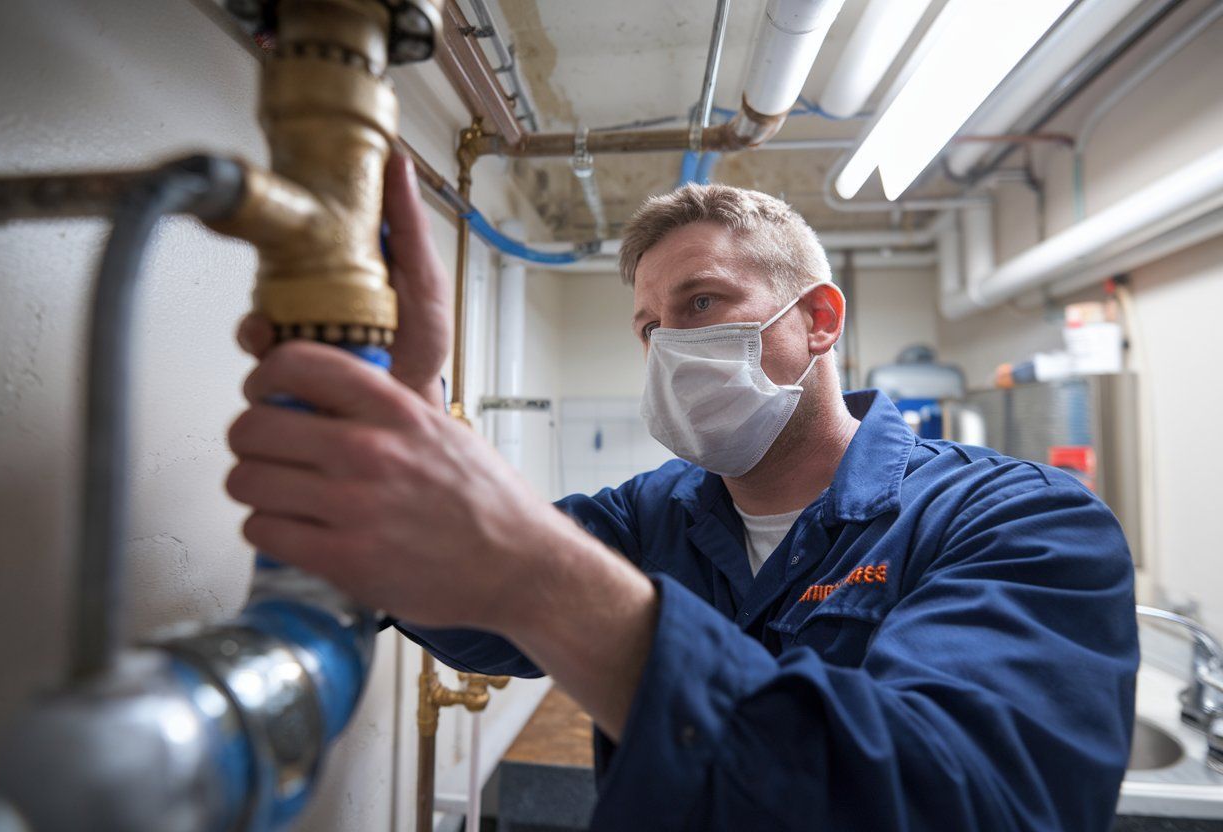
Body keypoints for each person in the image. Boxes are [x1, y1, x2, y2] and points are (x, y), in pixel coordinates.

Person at [227, 157, 1138, 830]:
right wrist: (388, 429)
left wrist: (537, 572)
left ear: (819, 320)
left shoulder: (1022, 524)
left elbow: (962, 803)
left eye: (700, 304)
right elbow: (468, 611)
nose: (669, 346)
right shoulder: (653, 514)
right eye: (648, 326)